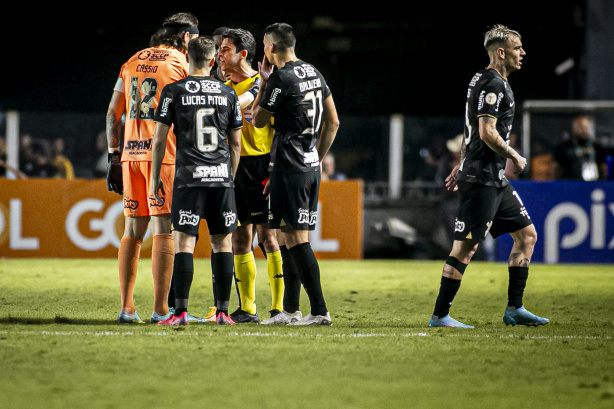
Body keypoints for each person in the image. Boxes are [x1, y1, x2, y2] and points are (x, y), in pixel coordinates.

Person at [428, 24, 549, 328]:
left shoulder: (480, 78)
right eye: (517, 47)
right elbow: (485, 131)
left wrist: (462, 161)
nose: (522, 52)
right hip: (482, 179)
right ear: (500, 52)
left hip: (492, 178)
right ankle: (440, 315)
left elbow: (470, 128)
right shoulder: (494, 84)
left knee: (527, 236)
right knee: (466, 248)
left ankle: (515, 309)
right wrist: (515, 155)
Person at [105, 12, 203, 324]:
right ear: (186, 37)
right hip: (163, 157)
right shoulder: (179, 63)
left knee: (132, 232)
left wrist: (112, 156)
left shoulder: (131, 60)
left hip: (130, 156)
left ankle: (126, 308)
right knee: (163, 230)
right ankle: (162, 310)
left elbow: (112, 114)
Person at [150, 36, 243, 326]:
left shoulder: (173, 91)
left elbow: (159, 140)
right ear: (214, 60)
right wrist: (230, 177)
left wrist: (155, 179)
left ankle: (179, 313)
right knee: (222, 244)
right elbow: (236, 144)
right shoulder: (229, 94)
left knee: (184, 244)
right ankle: (223, 312)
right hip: (221, 178)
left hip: (188, 178)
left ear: (187, 58)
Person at [252, 23, 340, 326]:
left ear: (270, 47)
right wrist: (315, 157)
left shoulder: (281, 77)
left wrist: (264, 83)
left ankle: (319, 310)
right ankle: (290, 310)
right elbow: (334, 122)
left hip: (290, 165)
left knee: (295, 238)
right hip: (305, 165)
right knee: (287, 237)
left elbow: (259, 120)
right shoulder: (314, 72)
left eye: (264, 46)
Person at [216, 28, 285, 324]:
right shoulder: (221, 85)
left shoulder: (262, 83)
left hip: (260, 165)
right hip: (233, 166)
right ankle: (248, 308)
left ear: (242, 54)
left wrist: (274, 168)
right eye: (218, 50)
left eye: (224, 50)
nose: (219, 55)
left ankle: (280, 307)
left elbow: (278, 129)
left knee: (267, 236)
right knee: (239, 238)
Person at [553, 115, 608, 181]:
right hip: (570, 183)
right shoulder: (564, 147)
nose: (582, 130)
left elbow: (603, 167)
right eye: (579, 127)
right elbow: (555, 167)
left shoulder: (596, 147)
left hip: (592, 184)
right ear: (573, 128)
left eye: (585, 127)